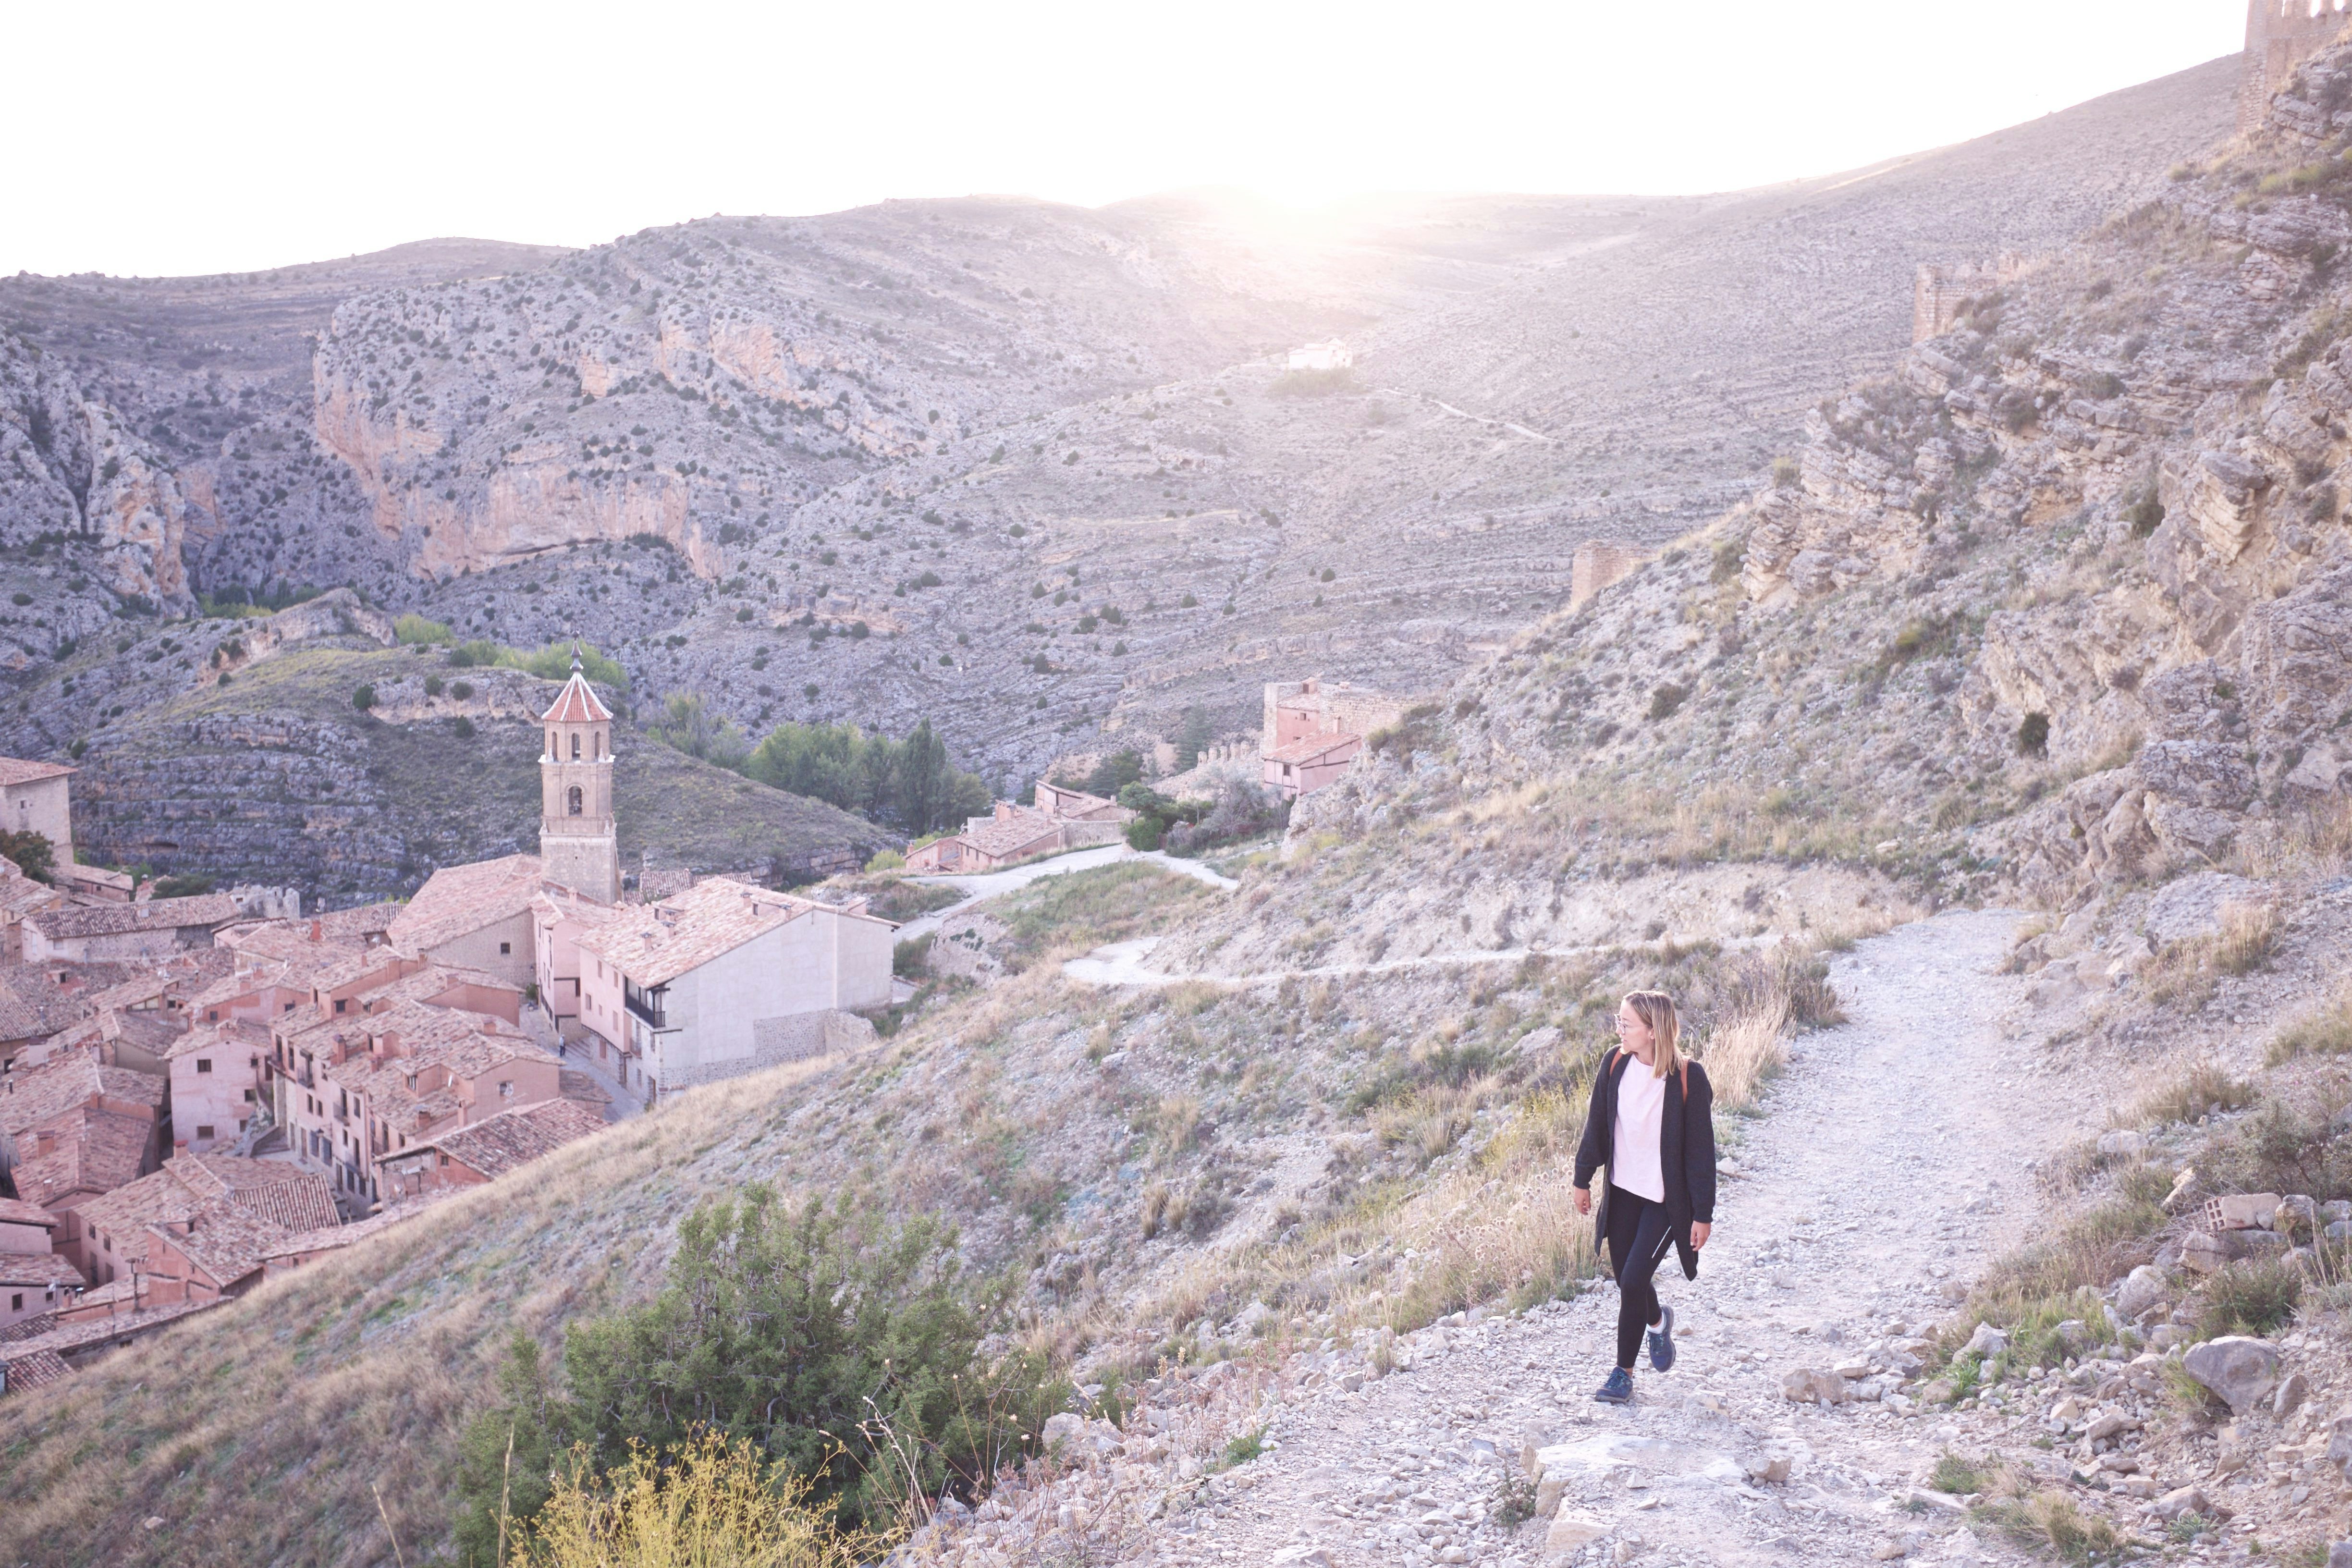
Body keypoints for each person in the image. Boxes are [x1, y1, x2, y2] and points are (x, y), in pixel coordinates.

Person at [1572, 990, 1717, 1405]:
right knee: (1627, 1280)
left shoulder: (1688, 1078)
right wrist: (1583, 1178)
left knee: (1634, 1280)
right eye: (1618, 1021)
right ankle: (1657, 1321)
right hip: (1622, 1192)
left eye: (1627, 1024)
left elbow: (1701, 1153)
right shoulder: (1615, 1064)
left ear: (1653, 1032)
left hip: (1664, 1203)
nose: (1619, 1030)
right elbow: (1597, 1127)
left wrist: (1702, 1214)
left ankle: (1623, 1374)